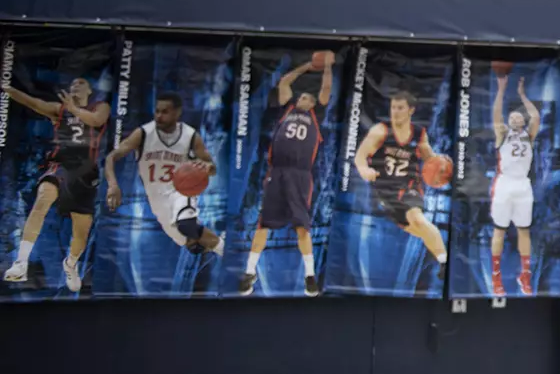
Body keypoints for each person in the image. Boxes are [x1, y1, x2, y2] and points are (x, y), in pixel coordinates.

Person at [3, 76, 110, 290]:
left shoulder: (101, 106)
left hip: (85, 173)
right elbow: (30, 101)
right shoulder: (59, 109)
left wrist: (75, 110)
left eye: (80, 84)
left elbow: (97, 121)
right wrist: (6, 87)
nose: (75, 86)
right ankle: (21, 263)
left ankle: (70, 264)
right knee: (43, 199)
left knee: (81, 232)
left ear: (89, 90)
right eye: (72, 85)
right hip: (60, 164)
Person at [241, 52, 334, 296]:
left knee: (302, 226)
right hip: (277, 172)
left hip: (300, 175)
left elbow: (326, 89)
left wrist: (326, 68)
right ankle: (249, 273)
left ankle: (310, 276)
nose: (302, 98)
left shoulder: (317, 115)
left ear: (311, 103)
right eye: (301, 96)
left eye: (306, 97)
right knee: (264, 224)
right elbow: (284, 83)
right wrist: (306, 65)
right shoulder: (287, 109)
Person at [104, 91, 224, 257]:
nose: (159, 116)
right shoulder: (143, 134)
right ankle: (221, 244)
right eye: (157, 111)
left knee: (186, 225)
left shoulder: (190, 136)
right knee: (194, 246)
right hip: (157, 202)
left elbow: (211, 167)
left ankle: (235, 260)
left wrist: (206, 167)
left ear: (177, 113)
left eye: (165, 112)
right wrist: (112, 185)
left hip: (181, 191)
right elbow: (111, 157)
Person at [354, 90, 449, 277]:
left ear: (410, 110)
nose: (395, 111)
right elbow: (360, 157)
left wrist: (441, 167)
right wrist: (364, 170)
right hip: (385, 193)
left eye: (400, 108)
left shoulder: (419, 134)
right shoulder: (380, 130)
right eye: (393, 107)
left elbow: (430, 158)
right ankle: (442, 261)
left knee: (417, 219)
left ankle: (446, 264)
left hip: (409, 187)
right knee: (418, 230)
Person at [489, 62, 543, 297]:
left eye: (518, 116)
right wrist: (501, 90)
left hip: (523, 185)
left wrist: (522, 95)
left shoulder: (528, 136)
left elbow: (535, 116)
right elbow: (496, 115)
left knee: (524, 230)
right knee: (499, 230)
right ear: (509, 121)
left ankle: (525, 274)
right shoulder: (502, 134)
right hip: (504, 183)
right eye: (512, 117)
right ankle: (496, 277)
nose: (516, 119)